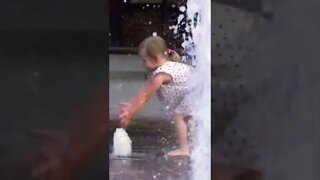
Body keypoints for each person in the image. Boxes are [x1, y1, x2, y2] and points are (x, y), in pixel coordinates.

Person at [118, 36, 194, 156]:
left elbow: (145, 96)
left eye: (144, 60)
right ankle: (193, 146)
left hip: (197, 92)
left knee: (179, 117)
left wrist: (130, 115)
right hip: (199, 91)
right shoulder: (169, 66)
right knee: (187, 119)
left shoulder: (161, 74)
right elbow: (144, 91)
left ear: (156, 58)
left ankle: (184, 149)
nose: (143, 64)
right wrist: (132, 106)